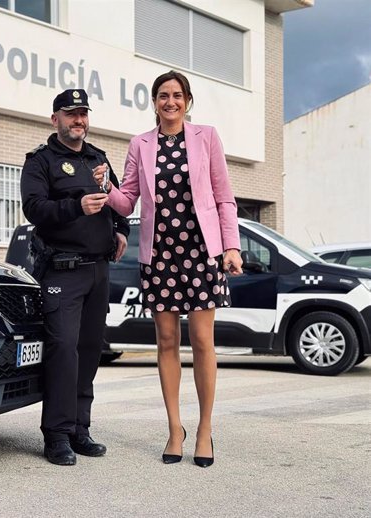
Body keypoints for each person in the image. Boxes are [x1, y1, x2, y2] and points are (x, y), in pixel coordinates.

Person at [96, 70, 243, 467]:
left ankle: (205, 428)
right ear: (155, 101)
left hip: (201, 251)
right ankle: (175, 428)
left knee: (201, 340)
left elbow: (224, 197)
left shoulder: (206, 137)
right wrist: (106, 187)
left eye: (177, 95)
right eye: (163, 95)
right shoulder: (140, 144)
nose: (170, 102)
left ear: (188, 101)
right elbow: (127, 202)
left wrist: (231, 246)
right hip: (160, 254)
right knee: (165, 341)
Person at [21, 89, 129, 466]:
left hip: (98, 270)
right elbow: (35, 208)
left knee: (87, 352)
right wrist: (75, 206)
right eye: (70, 114)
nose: (78, 120)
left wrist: (121, 230)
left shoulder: (97, 158)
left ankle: (80, 429)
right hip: (62, 271)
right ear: (55, 120)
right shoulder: (41, 161)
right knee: (63, 351)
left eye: (82, 114)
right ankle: (57, 435)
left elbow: (118, 200)